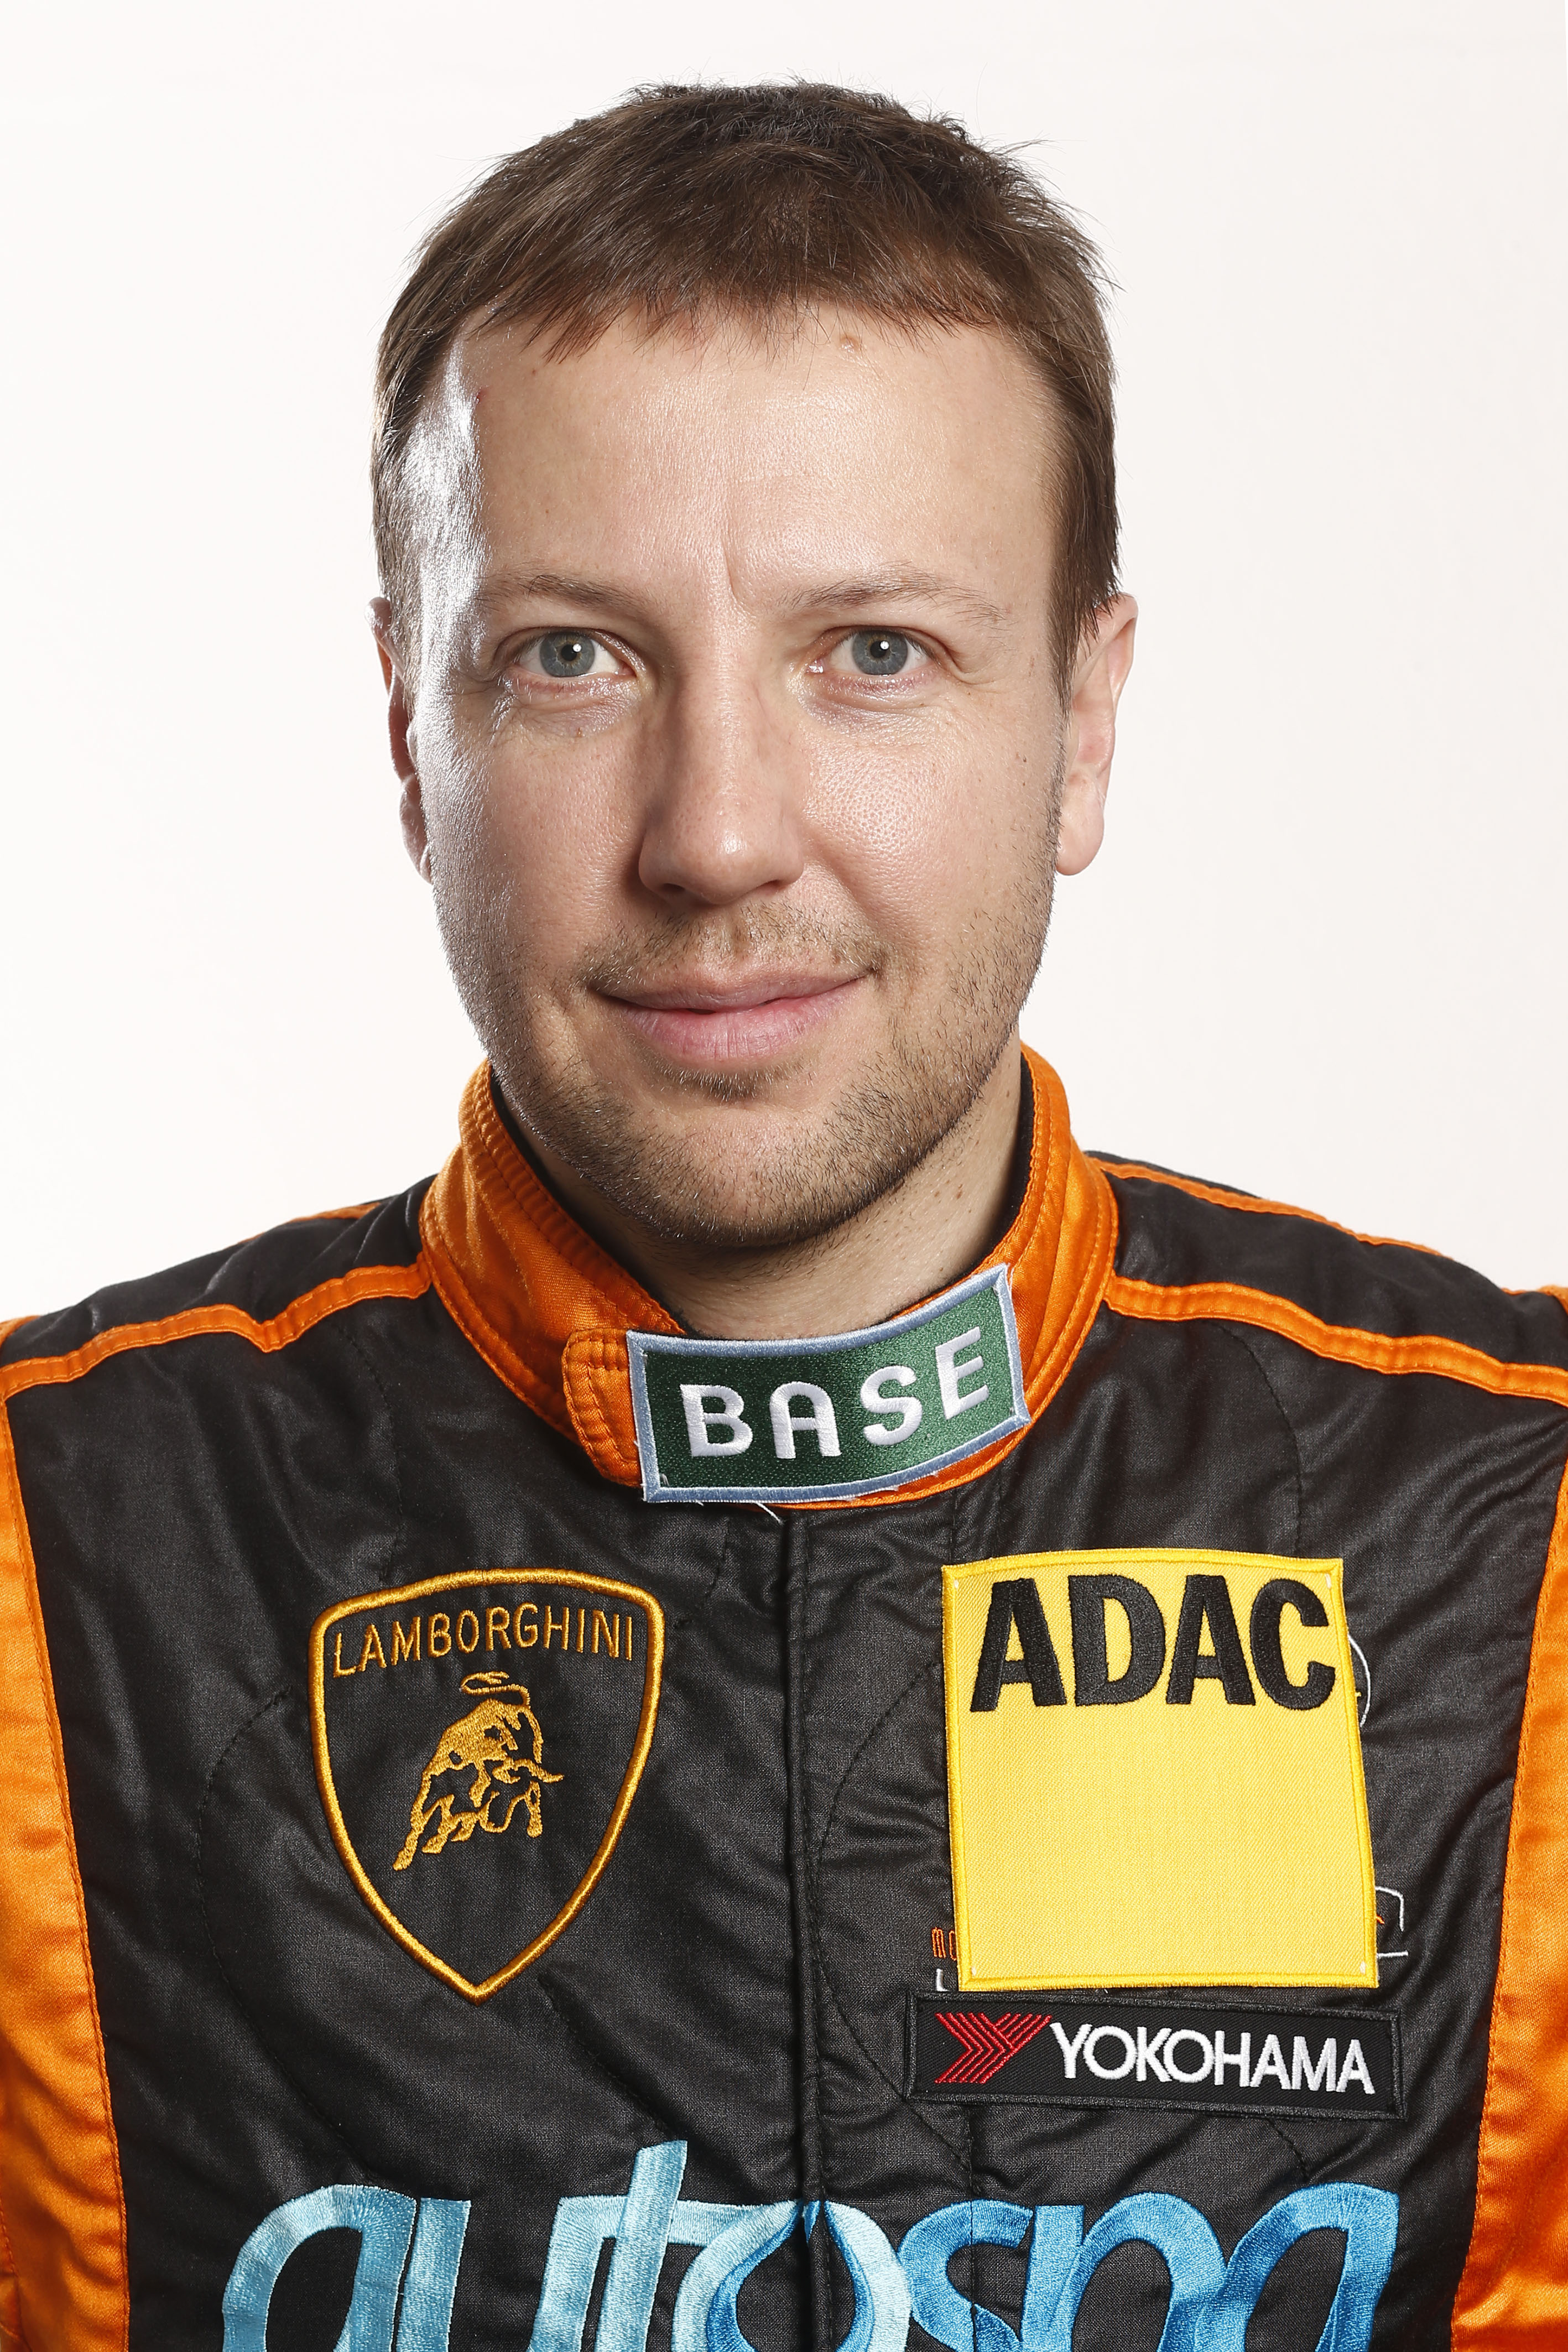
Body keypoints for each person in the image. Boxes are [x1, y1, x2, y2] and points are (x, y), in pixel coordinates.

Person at [0, 80, 1562, 2352]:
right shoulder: (44, 1553)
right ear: (410, 732)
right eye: (573, 655)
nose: (719, 833)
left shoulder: (1519, 1533)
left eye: (873, 653)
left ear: (1083, 722)